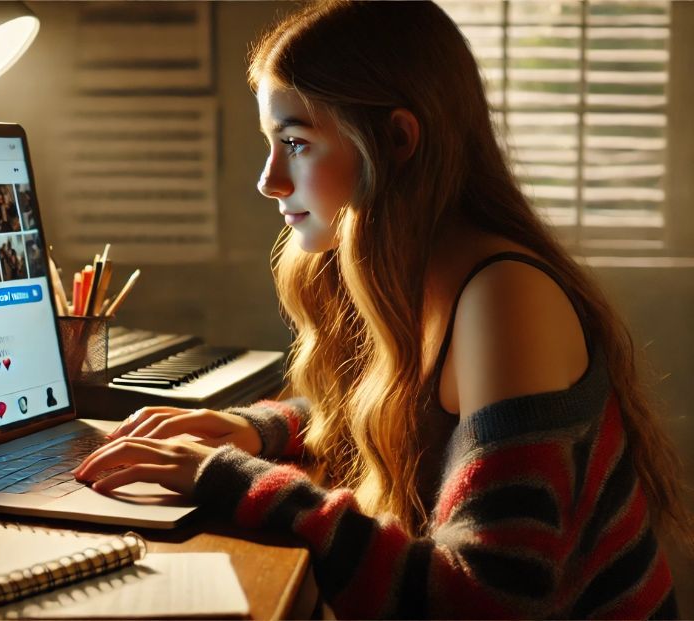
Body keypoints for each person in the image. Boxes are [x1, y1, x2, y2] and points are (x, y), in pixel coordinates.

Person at [74, 2, 692, 618]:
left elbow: (486, 599)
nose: (268, 179)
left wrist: (230, 478)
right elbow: (398, 408)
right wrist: (255, 430)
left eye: (295, 142)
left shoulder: (506, 298)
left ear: (396, 141)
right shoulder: (411, 269)